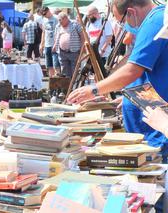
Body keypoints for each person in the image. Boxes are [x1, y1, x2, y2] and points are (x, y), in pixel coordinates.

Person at [67, 0, 168, 160]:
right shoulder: (156, 19)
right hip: (151, 127)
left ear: (131, 12)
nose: (122, 26)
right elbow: (157, 71)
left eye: (121, 20)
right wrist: (133, 96)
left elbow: (132, 70)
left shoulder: (154, 21)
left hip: (156, 134)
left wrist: (94, 90)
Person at [53, 12, 83, 78]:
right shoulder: (58, 26)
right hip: (62, 52)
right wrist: (55, 45)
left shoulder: (75, 24)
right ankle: (66, 87)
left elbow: (82, 35)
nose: (60, 22)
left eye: (61, 20)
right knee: (64, 71)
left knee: (75, 70)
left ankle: (75, 86)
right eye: (59, 20)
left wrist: (82, 47)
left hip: (74, 51)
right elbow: (56, 36)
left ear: (66, 18)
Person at [40, 7, 60, 77]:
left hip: (55, 44)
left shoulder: (56, 18)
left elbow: (60, 31)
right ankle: (51, 80)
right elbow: (43, 32)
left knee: (56, 64)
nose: (44, 15)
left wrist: (56, 43)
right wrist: (41, 44)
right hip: (47, 44)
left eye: (45, 14)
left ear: (48, 11)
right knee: (49, 65)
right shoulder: (44, 19)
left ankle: (57, 79)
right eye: (43, 15)